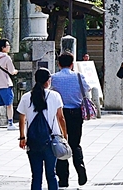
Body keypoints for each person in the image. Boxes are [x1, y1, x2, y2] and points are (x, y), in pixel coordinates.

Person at [18, 68, 67, 190]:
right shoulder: (55, 96)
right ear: (48, 81)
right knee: (51, 174)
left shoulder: (26, 97)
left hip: (33, 141)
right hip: (51, 140)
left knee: (36, 176)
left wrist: (22, 137)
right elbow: (61, 118)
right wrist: (64, 135)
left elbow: (21, 118)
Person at [50, 52, 91, 187]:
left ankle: (63, 179)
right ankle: (80, 167)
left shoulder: (54, 78)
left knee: (61, 143)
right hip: (76, 113)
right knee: (75, 143)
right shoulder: (79, 76)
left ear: (59, 64)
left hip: (60, 114)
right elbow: (87, 90)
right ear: (72, 64)